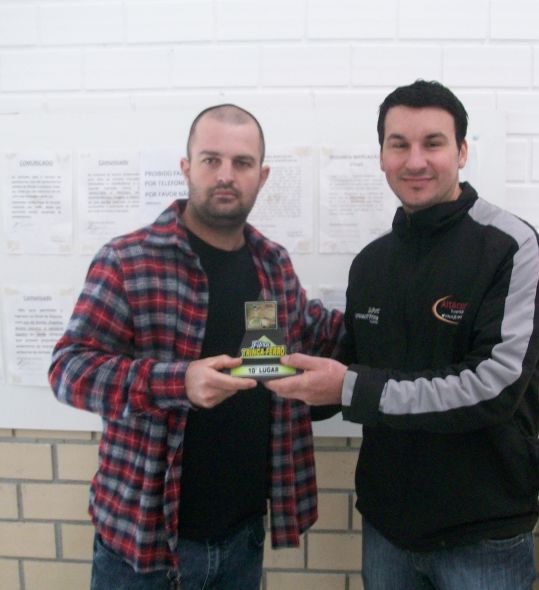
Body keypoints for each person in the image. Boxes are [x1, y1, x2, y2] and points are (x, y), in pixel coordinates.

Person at [266, 80, 539, 590]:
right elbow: (353, 371)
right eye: (399, 144)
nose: (415, 161)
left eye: (433, 143)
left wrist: (347, 386)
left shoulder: (511, 247)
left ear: (462, 152)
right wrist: (281, 376)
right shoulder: (371, 263)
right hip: (389, 528)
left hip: (482, 532)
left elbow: (493, 387)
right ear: (381, 156)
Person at [49, 104, 342, 589]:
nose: (226, 175)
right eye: (211, 160)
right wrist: (178, 382)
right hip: (145, 545)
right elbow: (69, 370)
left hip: (242, 539)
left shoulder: (272, 264)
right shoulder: (129, 260)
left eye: (242, 163)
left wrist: (392, 309)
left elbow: (315, 332)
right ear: (186, 168)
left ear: (262, 176)